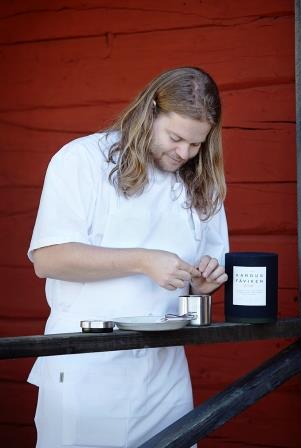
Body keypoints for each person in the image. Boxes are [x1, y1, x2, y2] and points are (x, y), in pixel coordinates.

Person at [28, 66, 229, 448]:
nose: (184, 153)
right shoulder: (83, 160)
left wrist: (201, 289)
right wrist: (143, 260)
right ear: (151, 111)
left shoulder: (201, 185)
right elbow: (49, 259)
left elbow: (195, 296)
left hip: (166, 376)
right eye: (175, 137)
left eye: (196, 144)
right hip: (86, 372)